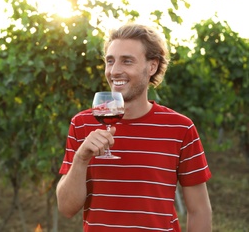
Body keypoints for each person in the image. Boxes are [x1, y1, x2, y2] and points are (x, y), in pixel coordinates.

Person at [56, 23, 212, 231]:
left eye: (127, 61)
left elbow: (199, 210)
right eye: (110, 61)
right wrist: (81, 158)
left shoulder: (181, 129)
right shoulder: (82, 124)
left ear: (152, 67)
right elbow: (66, 209)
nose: (115, 71)